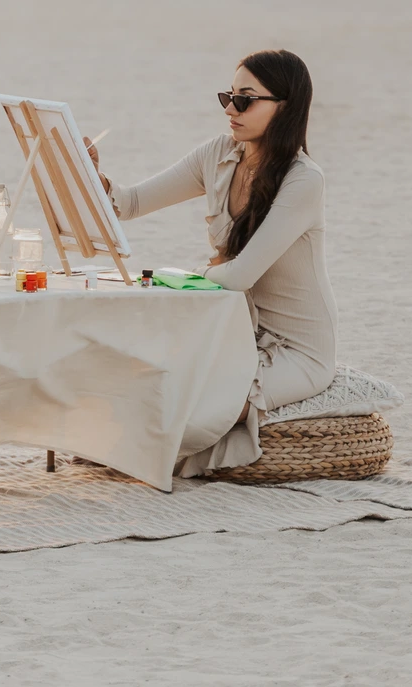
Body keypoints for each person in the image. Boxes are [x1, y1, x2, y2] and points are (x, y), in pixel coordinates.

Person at [92, 49, 337, 475]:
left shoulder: (304, 180)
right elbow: (129, 203)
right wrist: (90, 175)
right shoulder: (218, 155)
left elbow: (239, 275)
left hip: (298, 352)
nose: (230, 108)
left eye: (245, 99)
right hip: (232, 333)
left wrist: (178, 279)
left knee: (192, 417)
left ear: (285, 106)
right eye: (228, 95)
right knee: (147, 392)